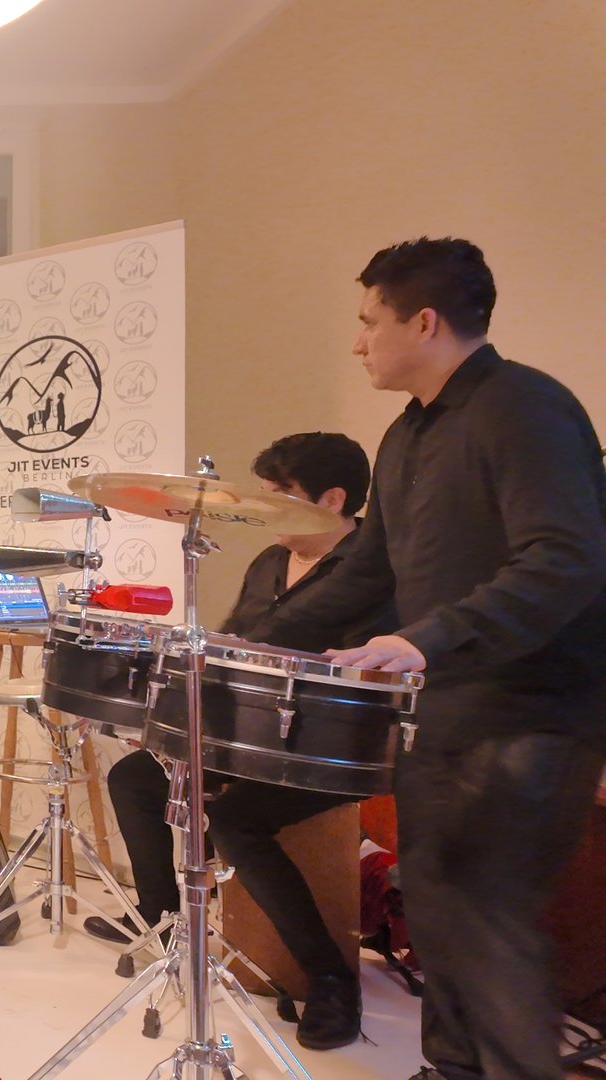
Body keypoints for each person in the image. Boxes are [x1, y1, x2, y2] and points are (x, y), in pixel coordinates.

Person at [251, 238, 606, 1080]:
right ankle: (450, 1069)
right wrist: (254, 642)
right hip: (445, 713)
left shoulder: (527, 408)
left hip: (534, 717)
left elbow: (563, 557)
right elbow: (368, 571)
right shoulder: (406, 437)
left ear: (425, 321)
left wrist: (425, 639)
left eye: (369, 321)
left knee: (483, 920)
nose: (359, 341)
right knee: (440, 913)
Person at [86, 432, 391, 1050]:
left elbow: (368, 675)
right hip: (244, 737)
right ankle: (161, 915)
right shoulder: (269, 564)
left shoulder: (377, 566)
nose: (266, 507)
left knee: (236, 823)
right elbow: (232, 644)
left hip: (326, 749)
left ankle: (332, 980)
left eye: (282, 495)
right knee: (134, 778)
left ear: (333, 500)